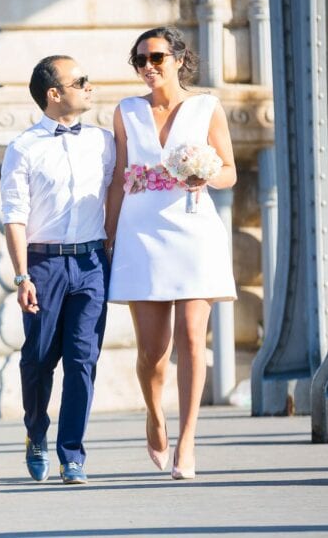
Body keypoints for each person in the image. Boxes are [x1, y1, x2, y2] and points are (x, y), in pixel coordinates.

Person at [105, 26, 237, 481]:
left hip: (194, 231)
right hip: (141, 233)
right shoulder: (125, 112)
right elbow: (120, 177)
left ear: (179, 58)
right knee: (152, 353)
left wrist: (205, 176)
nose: (148, 67)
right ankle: (155, 416)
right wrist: (108, 235)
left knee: (191, 339)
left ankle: (189, 440)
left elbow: (229, 172)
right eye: (140, 60)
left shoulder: (206, 107)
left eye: (156, 57)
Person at [0, 55, 115, 485]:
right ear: (54, 94)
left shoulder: (104, 142)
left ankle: (72, 455)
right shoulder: (23, 148)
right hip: (43, 264)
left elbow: (119, 192)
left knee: (83, 360)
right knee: (39, 360)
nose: (89, 86)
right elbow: (14, 215)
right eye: (79, 80)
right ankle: (35, 433)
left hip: (90, 263)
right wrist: (21, 275)